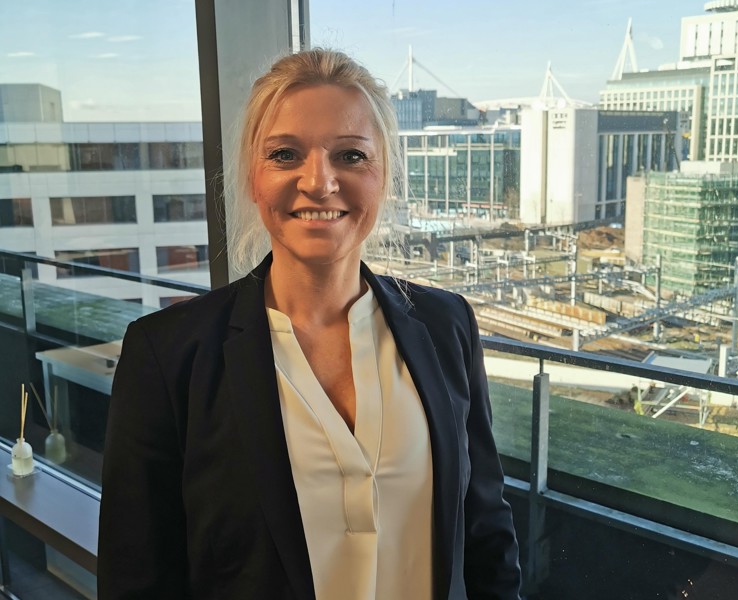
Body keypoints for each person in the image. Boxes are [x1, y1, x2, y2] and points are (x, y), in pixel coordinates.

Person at [98, 48, 521, 600]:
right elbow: (138, 580)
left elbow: (488, 536)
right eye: (284, 154)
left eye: (349, 155)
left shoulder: (447, 327)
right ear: (253, 177)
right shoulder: (169, 355)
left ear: (383, 176)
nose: (319, 182)